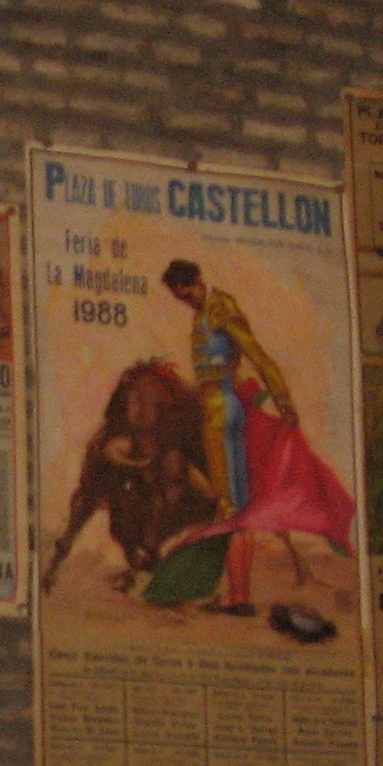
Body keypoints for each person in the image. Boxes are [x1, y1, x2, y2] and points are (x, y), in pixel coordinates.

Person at [162, 257, 296, 613]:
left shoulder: (220, 309)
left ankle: (238, 598)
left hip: (221, 413)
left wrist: (283, 400)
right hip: (221, 407)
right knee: (237, 507)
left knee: (228, 507)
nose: (185, 301)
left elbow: (257, 355)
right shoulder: (206, 311)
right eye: (179, 298)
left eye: (186, 294)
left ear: (195, 282)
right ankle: (238, 595)